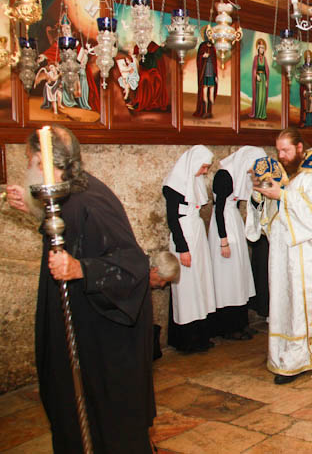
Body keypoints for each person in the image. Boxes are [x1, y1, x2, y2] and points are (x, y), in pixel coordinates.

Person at [5, 126, 155, 452]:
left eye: (30, 159)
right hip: (80, 319)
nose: (28, 166)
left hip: (100, 335)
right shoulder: (69, 192)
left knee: (103, 421)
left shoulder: (90, 201)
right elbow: (71, 233)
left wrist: (80, 269)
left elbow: (133, 264)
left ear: (43, 161)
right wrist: (34, 208)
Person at [248, 128, 312, 383]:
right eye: (278, 151)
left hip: (305, 253)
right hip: (282, 250)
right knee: (283, 300)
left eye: (285, 150)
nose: (281, 156)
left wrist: (282, 195)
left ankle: (300, 359)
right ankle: (284, 351)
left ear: (299, 148)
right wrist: (260, 196)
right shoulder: (285, 174)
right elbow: (271, 215)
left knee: (300, 303)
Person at [208, 146, 266, 341]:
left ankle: (241, 323)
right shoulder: (224, 175)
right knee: (227, 278)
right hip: (224, 226)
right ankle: (229, 327)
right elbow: (219, 210)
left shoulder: (239, 174)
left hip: (233, 222)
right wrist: (223, 241)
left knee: (239, 275)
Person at [163, 145, 217, 353]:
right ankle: (186, 339)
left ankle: (201, 335)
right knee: (186, 287)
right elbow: (173, 219)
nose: (205, 171)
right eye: (203, 167)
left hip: (196, 233)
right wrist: (182, 248)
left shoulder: (194, 181)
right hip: (184, 236)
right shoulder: (173, 186)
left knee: (200, 283)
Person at [194, 38, 218, 119]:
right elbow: (199, 58)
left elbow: (215, 63)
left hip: (211, 73)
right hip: (204, 73)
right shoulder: (202, 46)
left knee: (211, 93)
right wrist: (203, 56)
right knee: (204, 92)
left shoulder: (213, 48)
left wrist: (216, 76)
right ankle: (204, 111)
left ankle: (209, 111)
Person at [250, 38, 269, 119]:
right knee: (258, 96)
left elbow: (267, 70)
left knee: (263, 97)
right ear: (258, 48)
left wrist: (267, 80)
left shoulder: (265, 59)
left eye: (263, 48)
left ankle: (263, 114)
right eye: (261, 48)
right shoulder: (256, 58)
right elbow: (254, 69)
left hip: (263, 78)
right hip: (258, 79)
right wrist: (256, 75)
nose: (262, 49)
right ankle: (257, 114)